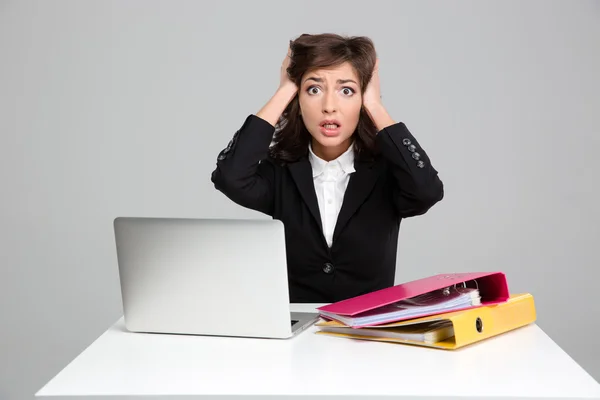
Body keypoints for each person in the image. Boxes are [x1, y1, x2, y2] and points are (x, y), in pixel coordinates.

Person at [211, 33, 444, 303]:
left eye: (347, 91)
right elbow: (230, 176)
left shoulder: (387, 172)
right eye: (314, 89)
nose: (329, 107)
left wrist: (375, 105)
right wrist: (285, 90)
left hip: (369, 334)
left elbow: (427, 191)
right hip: (294, 332)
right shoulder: (282, 172)